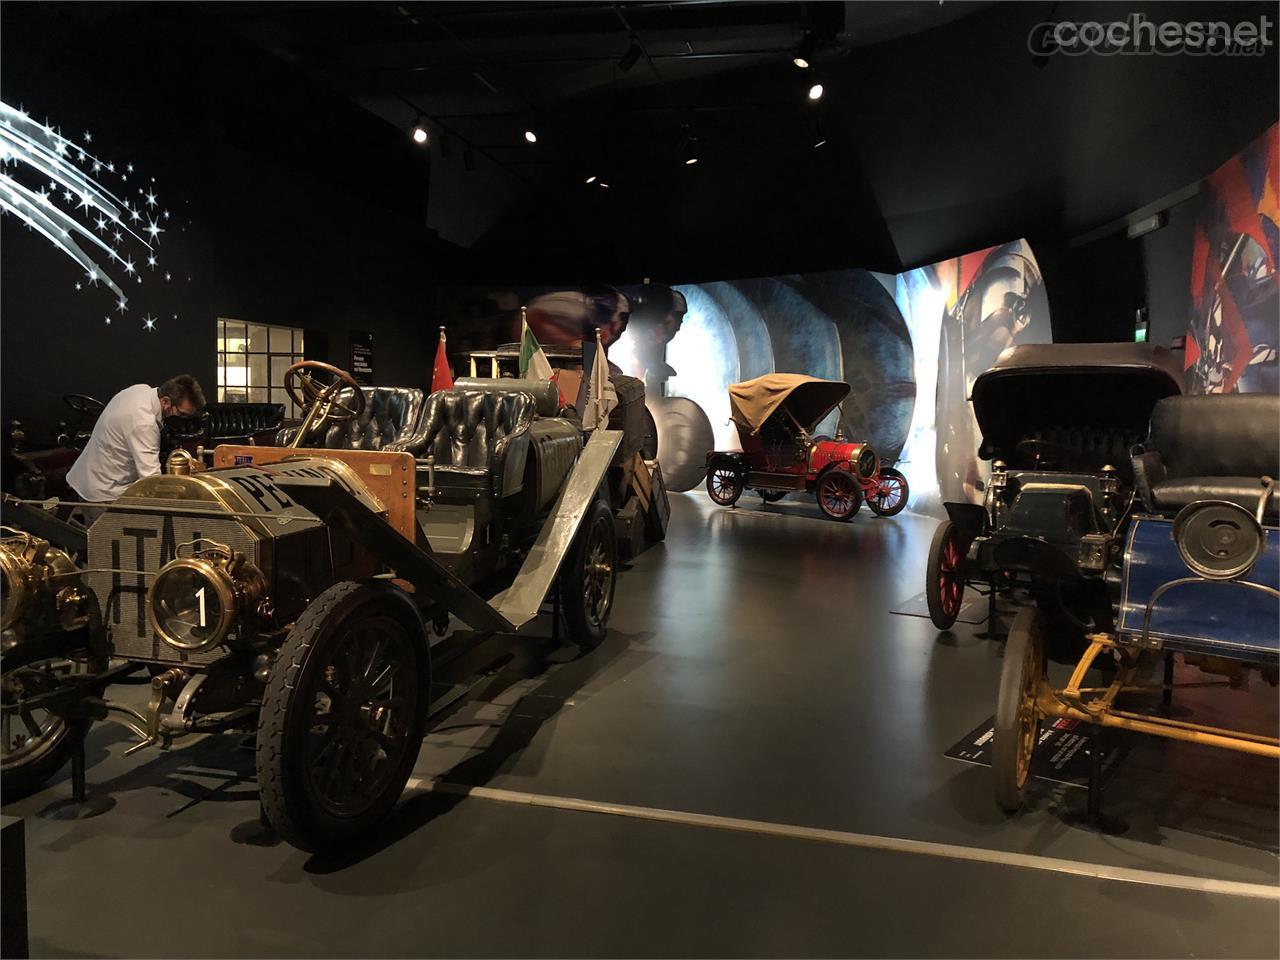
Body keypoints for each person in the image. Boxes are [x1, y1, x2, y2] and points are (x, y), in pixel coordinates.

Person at [66, 375, 205, 502]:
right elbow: (150, 479)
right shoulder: (144, 423)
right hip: (104, 491)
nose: (182, 419)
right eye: (181, 414)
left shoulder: (141, 390)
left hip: (90, 478)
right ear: (166, 401)